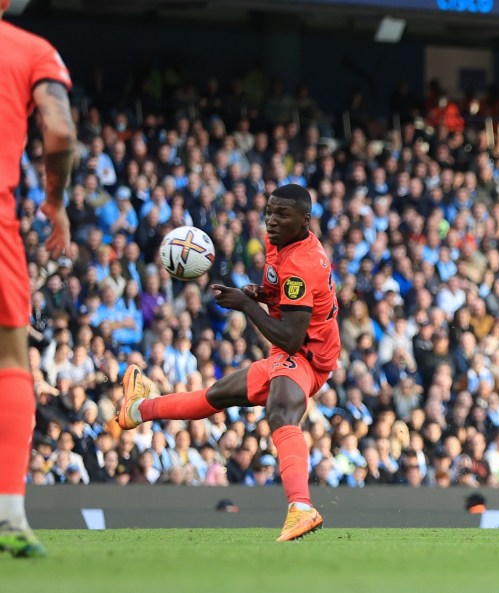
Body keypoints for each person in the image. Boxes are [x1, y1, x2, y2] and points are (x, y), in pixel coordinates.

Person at [116, 184, 340, 542]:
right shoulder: (278, 243)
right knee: (215, 396)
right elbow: (277, 290)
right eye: (269, 211)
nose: (272, 221)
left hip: (307, 355)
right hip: (294, 352)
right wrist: (259, 293)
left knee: (281, 412)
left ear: (305, 221)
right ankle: (138, 409)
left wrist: (247, 306)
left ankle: (302, 507)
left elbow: (290, 339)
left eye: (282, 214)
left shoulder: (302, 263)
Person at [0, 1, 76, 559]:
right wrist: (53, 202)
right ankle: (9, 516)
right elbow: (59, 132)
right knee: (10, 361)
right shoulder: (29, 49)